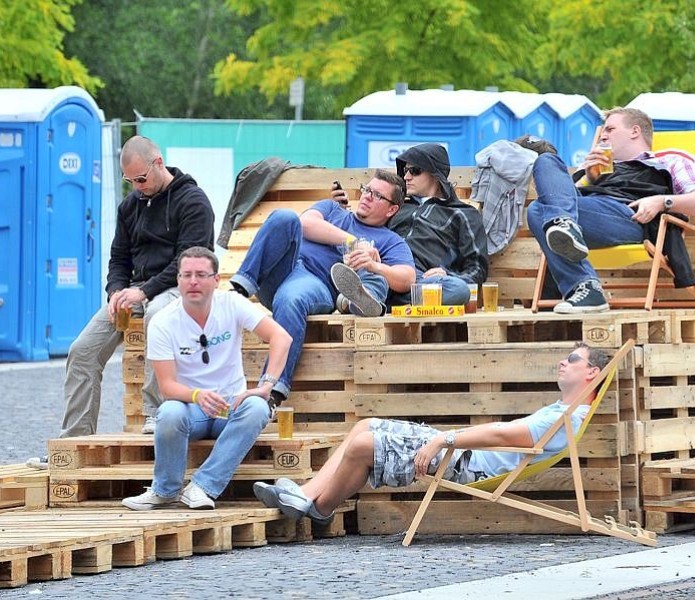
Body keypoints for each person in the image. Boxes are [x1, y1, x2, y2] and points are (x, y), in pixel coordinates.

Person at [252, 343, 608, 524]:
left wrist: (443, 438)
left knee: (364, 444)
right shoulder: (564, 412)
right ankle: (306, 495)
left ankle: (320, 508)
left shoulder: (566, 419)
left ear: (592, 373)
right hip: (464, 456)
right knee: (365, 426)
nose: (563, 362)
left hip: (470, 465)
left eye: (573, 359)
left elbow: (502, 435)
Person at [27, 136, 215, 470]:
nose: (138, 187)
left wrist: (143, 292)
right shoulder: (129, 207)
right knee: (82, 350)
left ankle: (155, 415)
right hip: (134, 291)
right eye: (130, 181)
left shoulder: (193, 201)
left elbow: (188, 264)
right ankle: (74, 443)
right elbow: (118, 259)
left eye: (141, 179)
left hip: (181, 287)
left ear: (158, 163)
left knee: (158, 317)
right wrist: (115, 292)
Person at [122, 247, 292, 510]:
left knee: (258, 407)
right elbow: (167, 387)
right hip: (192, 409)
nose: (193, 281)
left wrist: (266, 385)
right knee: (168, 413)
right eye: (186, 275)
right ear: (177, 280)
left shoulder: (231, 303)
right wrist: (197, 395)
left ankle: (202, 487)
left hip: (230, 406)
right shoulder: (163, 321)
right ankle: (165, 490)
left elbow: (281, 337)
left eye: (201, 274)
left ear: (216, 280)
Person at [229, 169, 415, 407]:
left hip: (314, 282)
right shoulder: (332, 209)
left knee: (292, 299)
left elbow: (407, 277)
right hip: (283, 266)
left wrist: (374, 265)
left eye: (377, 195)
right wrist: (353, 241)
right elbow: (305, 223)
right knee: (284, 217)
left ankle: (273, 391)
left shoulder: (389, 240)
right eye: (367, 190)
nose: (367, 196)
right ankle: (239, 290)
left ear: (392, 209)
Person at [526, 107, 695, 313]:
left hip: (629, 216)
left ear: (634, 131)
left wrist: (661, 202)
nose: (603, 136)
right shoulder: (598, 167)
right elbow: (563, 199)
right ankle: (585, 283)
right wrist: (589, 177)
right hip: (591, 214)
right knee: (545, 164)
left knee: (541, 210)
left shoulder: (670, 160)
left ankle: (573, 251)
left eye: (609, 129)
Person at [379, 143, 489, 306]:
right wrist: (342, 208)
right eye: (405, 171)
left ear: (436, 174)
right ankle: (379, 295)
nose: (407, 177)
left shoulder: (462, 213)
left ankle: (377, 299)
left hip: (422, 281)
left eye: (415, 171)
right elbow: (365, 226)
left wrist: (449, 275)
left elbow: (477, 269)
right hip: (384, 269)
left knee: (459, 289)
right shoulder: (395, 207)